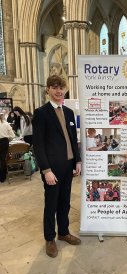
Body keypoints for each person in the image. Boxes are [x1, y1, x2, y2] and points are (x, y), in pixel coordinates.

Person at [32, 75, 82, 258]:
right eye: (54, 87)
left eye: (61, 87)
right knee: (51, 204)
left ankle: (63, 232)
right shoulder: (41, 113)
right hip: (52, 169)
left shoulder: (69, 112)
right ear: (48, 90)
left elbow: (72, 138)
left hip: (68, 166)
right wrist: (46, 170)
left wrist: (78, 160)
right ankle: (49, 238)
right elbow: (38, 145)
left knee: (65, 203)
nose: (58, 91)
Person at [0, 112, 15, 182]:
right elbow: (12, 136)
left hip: (4, 141)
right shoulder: (6, 124)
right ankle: (2, 177)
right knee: (3, 159)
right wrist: (7, 139)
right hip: (4, 142)